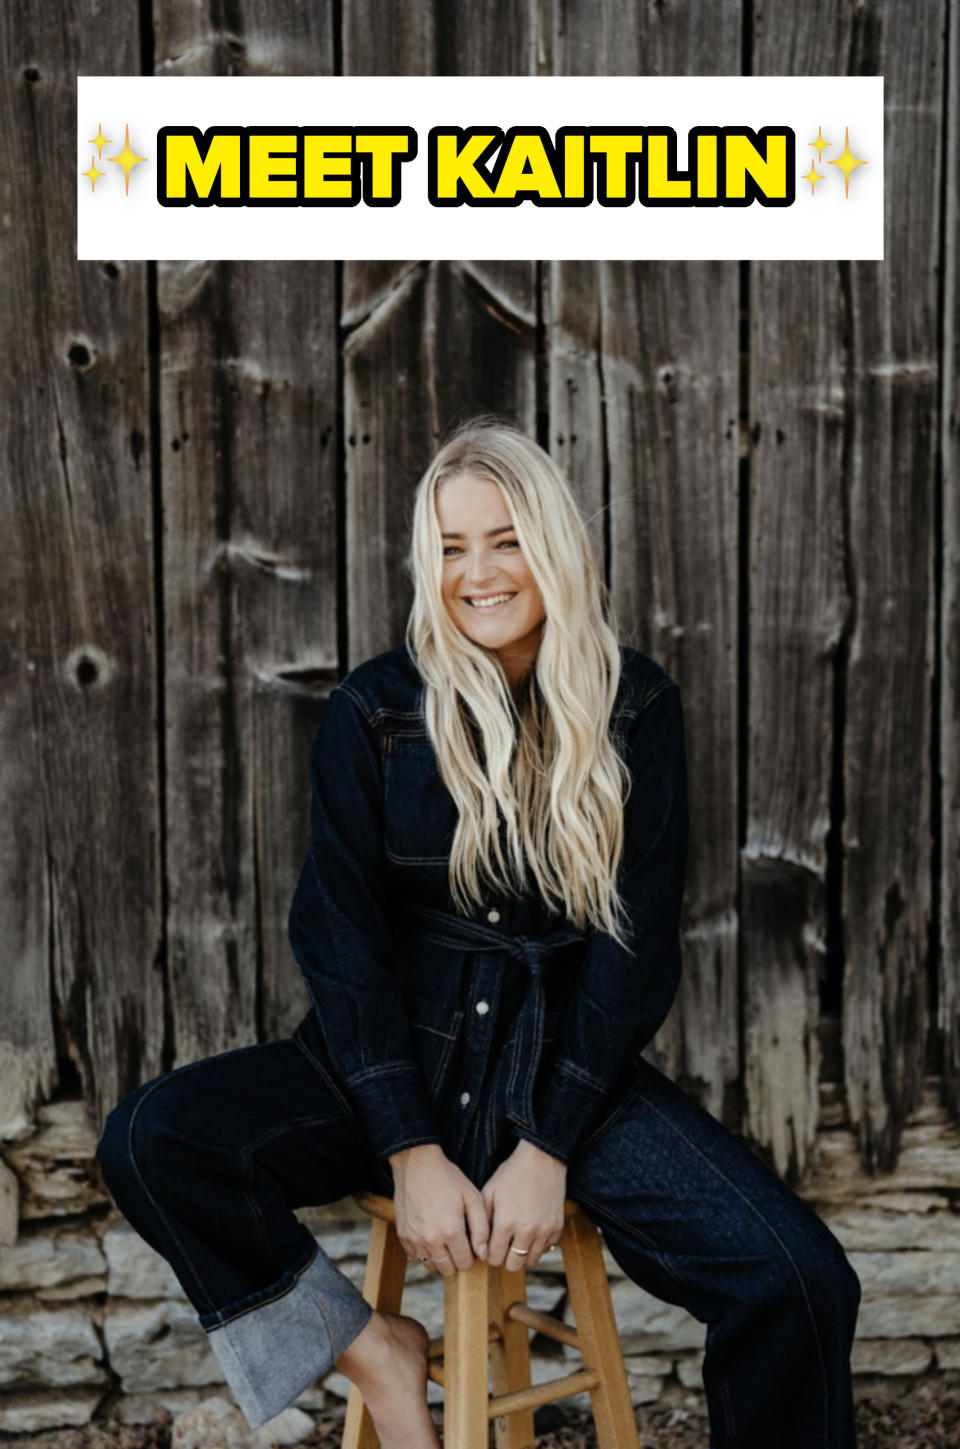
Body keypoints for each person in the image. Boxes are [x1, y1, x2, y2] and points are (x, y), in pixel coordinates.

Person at [95, 418, 861, 1449]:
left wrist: (548, 1144)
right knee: (152, 1137)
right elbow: (340, 936)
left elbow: (633, 948)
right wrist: (408, 1146)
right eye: (451, 548)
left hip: (563, 1078)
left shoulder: (636, 708)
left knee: (801, 1280)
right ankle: (374, 1345)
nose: (477, 574)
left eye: (502, 539)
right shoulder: (376, 710)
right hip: (391, 1065)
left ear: (553, 544)